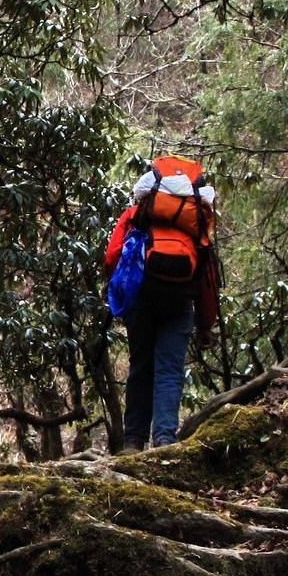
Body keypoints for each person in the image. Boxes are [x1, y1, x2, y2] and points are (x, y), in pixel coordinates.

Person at [104, 156, 220, 451]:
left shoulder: (137, 214)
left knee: (140, 366)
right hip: (181, 301)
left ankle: (134, 440)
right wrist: (206, 325)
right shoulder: (197, 221)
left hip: (141, 298)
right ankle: (165, 439)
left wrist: (119, 295)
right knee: (169, 369)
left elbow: (112, 256)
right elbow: (207, 277)